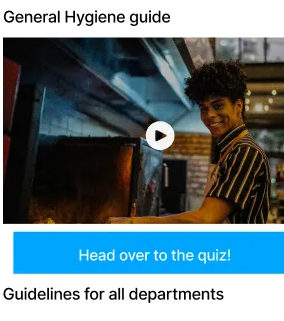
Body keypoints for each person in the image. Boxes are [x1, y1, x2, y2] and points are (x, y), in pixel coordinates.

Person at [110, 60, 269, 225]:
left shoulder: (245, 152)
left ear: (238, 105)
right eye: (204, 109)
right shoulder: (227, 150)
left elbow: (207, 218)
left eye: (218, 106)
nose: (210, 115)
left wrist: (134, 223)